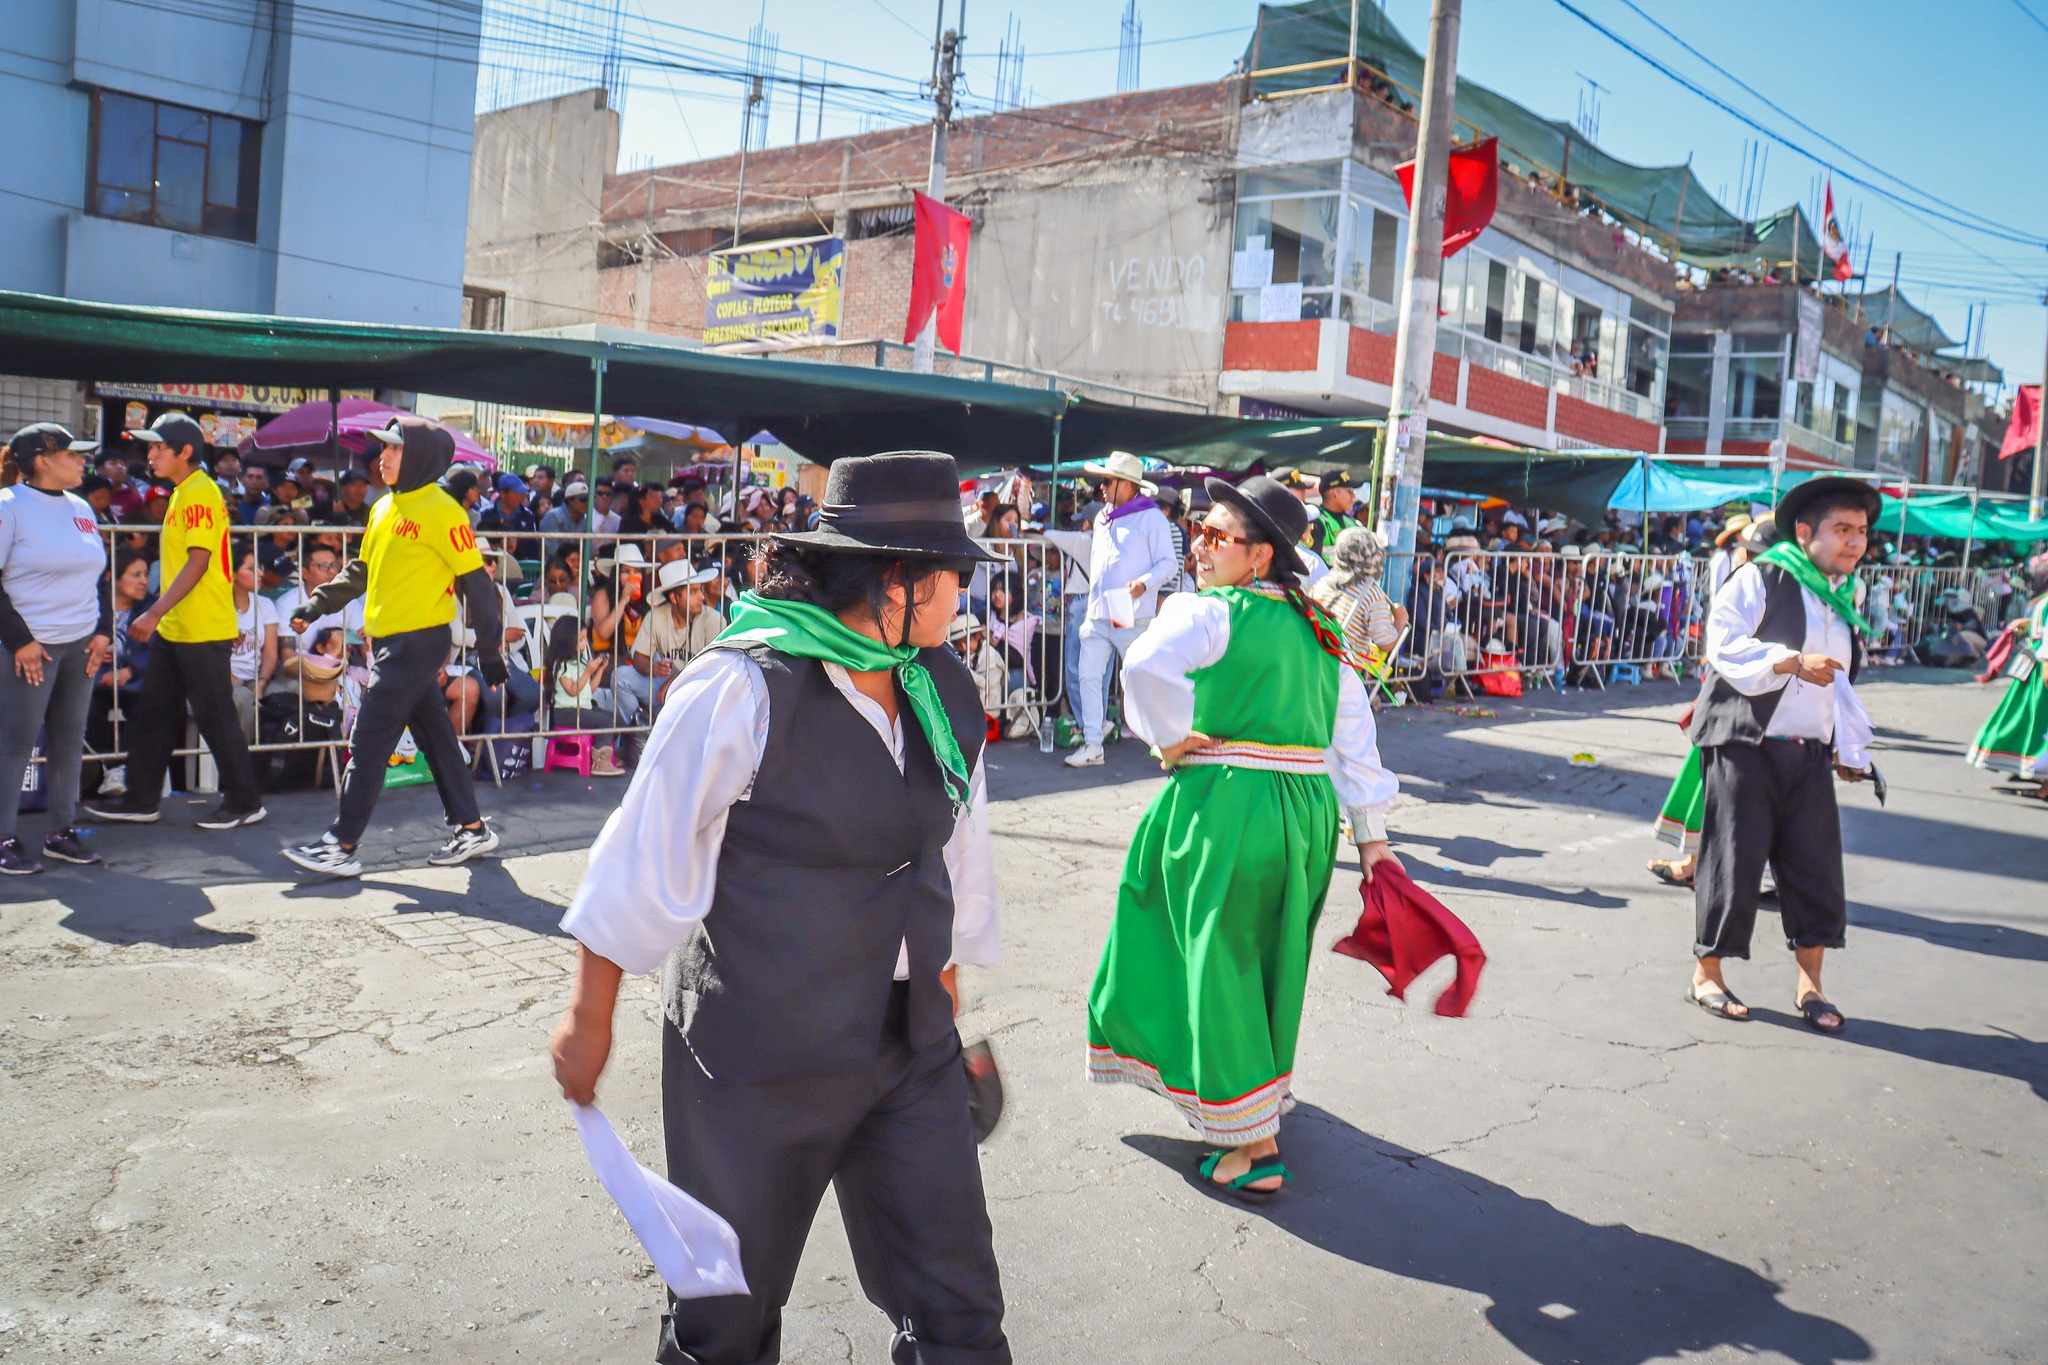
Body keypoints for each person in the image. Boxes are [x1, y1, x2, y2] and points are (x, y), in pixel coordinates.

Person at [550, 451, 1011, 1365]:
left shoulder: (941, 685)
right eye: (953, 572)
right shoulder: (743, 685)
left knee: (960, 1308)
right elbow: (642, 852)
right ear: (896, 581)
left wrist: (946, 980)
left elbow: (956, 844)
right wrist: (587, 1018)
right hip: (756, 1055)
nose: (965, 591)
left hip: (907, 1046)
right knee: (725, 1318)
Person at [1086, 474, 1400, 1198]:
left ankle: (1252, 1146)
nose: (1198, 544)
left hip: (1227, 805)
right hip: (1305, 815)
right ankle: (1259, 1099)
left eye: (1215, 535)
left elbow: (1143, 664)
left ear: (1260, 555)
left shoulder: (1211, 612)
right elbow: (1352, 732)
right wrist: (1371, 837)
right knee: (1266, 960)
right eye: (1198, 529)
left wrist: (1169, 736)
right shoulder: (1320, 628)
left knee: (1213, 960)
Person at [1685, 477, 1882, 1034]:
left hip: (1808, 754)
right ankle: (1707, 974)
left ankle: (1811, 986)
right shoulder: (1762, 576)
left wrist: (1846, 746)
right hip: (1746, 745)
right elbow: (1723, 643)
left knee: (1815, 869)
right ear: (1803, 532)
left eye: (1861, 531)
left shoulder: (1843, 595)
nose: (1854, 541)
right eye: (1841, 529)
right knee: (1733, 862)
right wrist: (1790, 661)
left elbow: (1838, 682)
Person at [279, 417, 506, 878]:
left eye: (394, 448)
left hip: (417, 643)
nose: (381, 456)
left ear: (419, 456)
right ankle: (472, 827)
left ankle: (341, 844)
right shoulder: (383, 507)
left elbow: (478, 587)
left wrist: (489, 652)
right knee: (437, 738)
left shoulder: (444, 512)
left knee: (368, 740)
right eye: (383, 447)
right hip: (389, 643)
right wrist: (318, 604)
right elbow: (361, 571)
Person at [85, 414, 267, 830]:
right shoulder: (184, 492)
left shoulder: (199, 492)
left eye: (158, 447)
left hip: (200, 628)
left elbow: (199, 562)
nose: (149, 455)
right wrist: (162, 616)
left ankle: (245, 802)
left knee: (215, 718)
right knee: (154, 714)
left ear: (184, 451)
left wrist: (153, 611)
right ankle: (141, 799)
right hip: (178, 627)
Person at [0, 424, 114, 872]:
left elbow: (98, 575)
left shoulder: (82, 506)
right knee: (16, 743)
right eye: (72, 454)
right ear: (42, 460)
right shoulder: (9, 505)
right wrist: (20, 641)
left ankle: (61, 832)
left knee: (68, 739)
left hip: (80, 642)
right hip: (33, 646)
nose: (82, 461)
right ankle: (3, 837)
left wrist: (102, 630)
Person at [1066, 451, 1177, 768]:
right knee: (1088, 677)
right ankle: (1093, 745)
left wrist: (1144, 583)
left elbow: (1168, 563)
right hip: (1100, 611)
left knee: (1141, 679)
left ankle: (1168, 742)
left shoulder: (1151, 517)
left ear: (1127, 484)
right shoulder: (1103, 518)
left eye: (1107, 481)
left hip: (1129, 611)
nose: (1100, 487)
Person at [1965, 568, 2048, 798]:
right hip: (2037, 667)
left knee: (2036, 722)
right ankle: (2034, 771)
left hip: (2042, 668)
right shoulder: (2043, 601)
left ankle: (2041, 778)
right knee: (2027, 719)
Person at [629, 558, 724, 712]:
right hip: (664, 685)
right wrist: (652, 668)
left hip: (699, 687)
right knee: (621, 677)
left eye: (700, 589)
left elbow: (712, 667)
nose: (702, 596)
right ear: (674, 598)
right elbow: (639, 657)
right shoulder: (656, 616)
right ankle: (641, 723)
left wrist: (676, 680)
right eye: (693, 591)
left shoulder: (714, 620)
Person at [1310, 525, 1407, 668]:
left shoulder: (1322, 583)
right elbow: (1385, 642)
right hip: (1344, 669)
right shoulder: (1371, 593)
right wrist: (1400, 619)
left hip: (1317, 662)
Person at [228, 544, 279, 740]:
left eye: (259, 567)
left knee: (281, 694)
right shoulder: (218, 606)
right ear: (232, 574)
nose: (260, 573)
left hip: (256, 678)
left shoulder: (265, 604)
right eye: (251, 569)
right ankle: (244, 755)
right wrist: (232, 678)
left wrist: (262, 682)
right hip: (224, 679)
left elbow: (271, 653)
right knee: (242, 697)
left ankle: (271, 756)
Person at [476, 472, 538, 561]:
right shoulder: (484, 513)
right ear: (503, 494)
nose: (521, 496)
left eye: (522, 492)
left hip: (521, 564)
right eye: (516, 493)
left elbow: (533, 546)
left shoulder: (528, 515)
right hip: (491, 562)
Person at [1307, 469, 1362, 553]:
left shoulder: (1351, 522)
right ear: (1334, 494)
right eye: (1349, 491)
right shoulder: (1316, 522)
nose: (1354, 496)